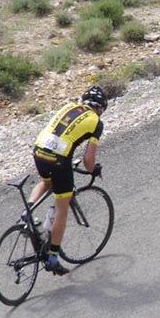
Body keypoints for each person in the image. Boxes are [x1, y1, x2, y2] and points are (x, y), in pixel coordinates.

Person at [28, 86, 108, 275]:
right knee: (62, 205)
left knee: (47, 182)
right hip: (58, 159)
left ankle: (27, 213)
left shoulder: (69, 106)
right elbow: (89, 161)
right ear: (101, 108)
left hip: (39, 150)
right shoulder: (96, 122)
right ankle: (53, 257)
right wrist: (93, 170)